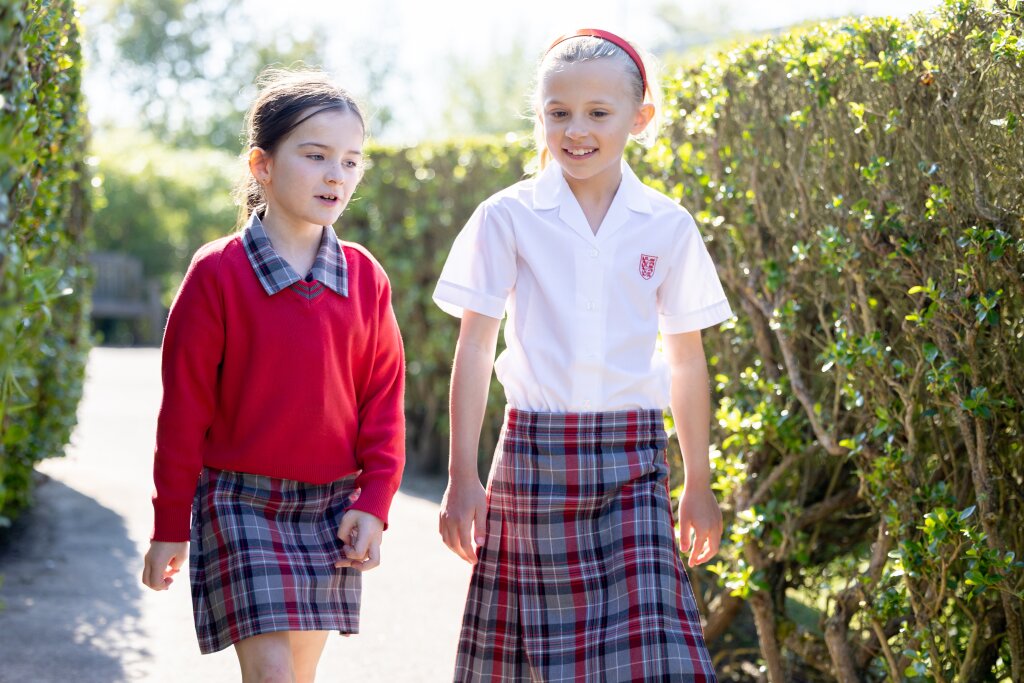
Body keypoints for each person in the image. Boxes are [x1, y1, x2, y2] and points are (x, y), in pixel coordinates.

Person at [433, 28, 730, 682]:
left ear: (639, 118)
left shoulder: (668, 225)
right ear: (538, 116)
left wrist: (699, 482)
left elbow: (686, 361)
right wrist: (462, 476)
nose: (576, 130)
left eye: (598, 112)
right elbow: (476, 346)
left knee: (659, 659)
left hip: (635, 465)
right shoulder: (506, 216)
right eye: (558, 112)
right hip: (534, 460)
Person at [141, 67, 406, 683]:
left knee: (298, 676)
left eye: (351, 161)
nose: (336, 174)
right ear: (261, 165)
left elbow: (383, 401)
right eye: (315, 156)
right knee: (272, 675)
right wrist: (169, 524)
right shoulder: (217, 273)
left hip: (330, 510)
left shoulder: (366, 278)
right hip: (238, 504)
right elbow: (183, 412)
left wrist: (374, 501)